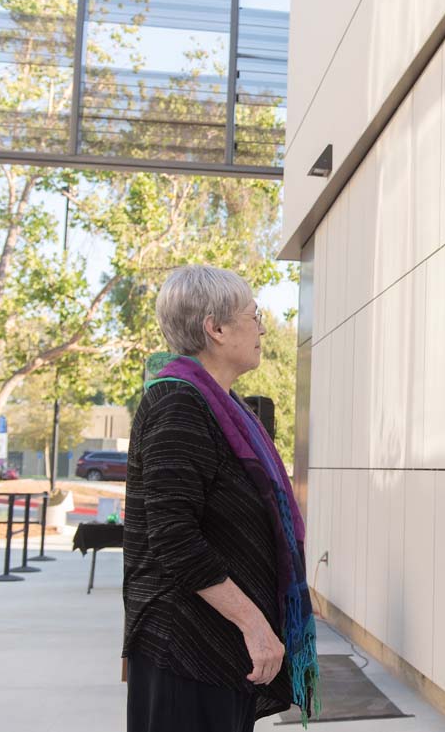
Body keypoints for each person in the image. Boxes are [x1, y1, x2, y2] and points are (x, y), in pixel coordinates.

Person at [123, 264, 320, 732]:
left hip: (213, 649)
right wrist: (254, 625)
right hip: (186, 648)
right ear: (215, 328)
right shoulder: (180, 405)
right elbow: (175, 540)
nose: (261, 329)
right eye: (253, 316)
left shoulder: (221, 406)